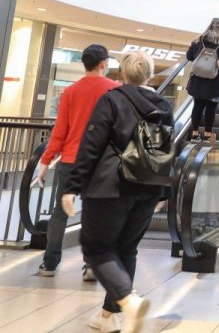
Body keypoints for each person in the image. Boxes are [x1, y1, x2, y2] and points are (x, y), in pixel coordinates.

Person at [61, 51, 174, 333]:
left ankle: (128, 300)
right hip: (147, 187)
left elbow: (91, 145)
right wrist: (162, 192)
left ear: (123, 73)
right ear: (150, 74)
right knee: (126, 249)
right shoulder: (163, 105)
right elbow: (166, 150)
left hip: (110, 186)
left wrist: (72, 186)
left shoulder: (112, 100)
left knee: (96, 248)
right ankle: (108, 316)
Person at [35, 44, 119, 281]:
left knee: (60, 212)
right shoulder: (115, 90)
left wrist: (46, 161)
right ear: (103, 63)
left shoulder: (70, 92)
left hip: (70, 160)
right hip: (100, 163)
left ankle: (49, 263)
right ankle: (91, 266)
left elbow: (60, 131)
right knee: (95, 214)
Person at [185, 18, 219, 142]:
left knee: (197, 106)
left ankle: (194, 134)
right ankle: (207, 135)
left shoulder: (198, 40)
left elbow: (189, 56)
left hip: (197, 81)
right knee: (211, 109)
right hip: (215, 82)